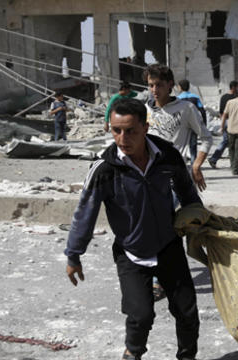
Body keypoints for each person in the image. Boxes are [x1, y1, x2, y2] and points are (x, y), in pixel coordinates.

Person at [64, 98, 201, 360]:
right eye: (116, 130)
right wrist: (73, 254)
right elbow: (86, 211)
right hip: (131, 253)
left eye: (130, 131)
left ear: (145, 128)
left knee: (187, 313)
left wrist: (200, 225)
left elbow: (188, 193)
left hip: (168, 246)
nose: (122, 138)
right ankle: (132, 353)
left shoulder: (167, 155)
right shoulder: (104, 168)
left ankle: (187, 356)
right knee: (141, 315)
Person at [143, 64, 212, 191]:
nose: (154, 90)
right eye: (151, 85)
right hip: (150, 178)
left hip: (175, 178)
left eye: (159, 85)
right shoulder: (145, 110)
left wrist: (196, 165)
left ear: (170, 84)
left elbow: (206, 138)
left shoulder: (186, 108)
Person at [208, 80, 238, 169]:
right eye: (237, 87)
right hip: (232, 121)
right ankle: (216, 159)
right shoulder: (235, 97)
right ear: (233, 87)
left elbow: (221, 112)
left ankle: (216, 159)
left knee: (227, 141)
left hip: (225, 121)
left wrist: (222, 122)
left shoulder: (224, 97)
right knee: (230, 141)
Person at [177, 79, 207, 163]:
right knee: (193, 145)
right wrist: (204, 124)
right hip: (193, 123)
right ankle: (194, 163)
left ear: (180, 87)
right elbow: (202, 110)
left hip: (182, 125)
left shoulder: (178, 99)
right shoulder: (195, 97)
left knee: (181, 145)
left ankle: (181, 163)